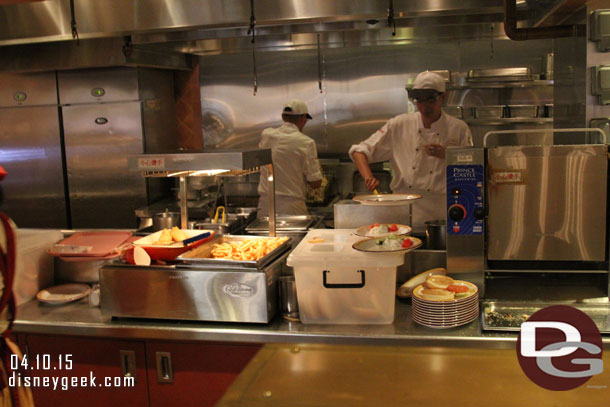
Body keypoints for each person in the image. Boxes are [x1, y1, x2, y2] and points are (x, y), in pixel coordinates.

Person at [349, 71, 473, 233]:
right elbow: (359, 152)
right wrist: (368, 177)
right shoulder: (399, 125)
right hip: (402, 211)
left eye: (430, 100)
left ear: (443, 97)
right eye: (419, 101)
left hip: (441, 212)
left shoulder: (458, 128)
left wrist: (447, 155)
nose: (424, 107)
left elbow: (472, 169)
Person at [257, 99, 323, 217]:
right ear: (303, 118)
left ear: (283, 117)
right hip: (291, 207)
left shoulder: (266, 135)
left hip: (265, 205)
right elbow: (316, 183)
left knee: (265, 235)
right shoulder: (306, 142)